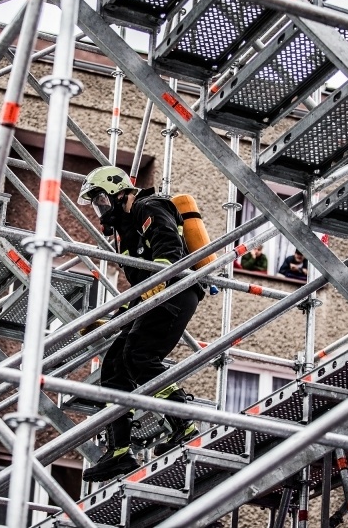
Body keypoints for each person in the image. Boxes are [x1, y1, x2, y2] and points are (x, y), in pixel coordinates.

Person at [77, 165, 205, 482]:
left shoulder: (152, 206)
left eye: (101, 202)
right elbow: (139, 291)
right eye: (96, 206)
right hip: (154, 298)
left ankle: (185, 423)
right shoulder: (126, 236)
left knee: (140, 357)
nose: (100, 211)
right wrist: (112, 321)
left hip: (177, 291)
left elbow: (169, 251)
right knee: (115, 367)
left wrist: (156, 283)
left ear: (118, 193)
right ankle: (120, 451)